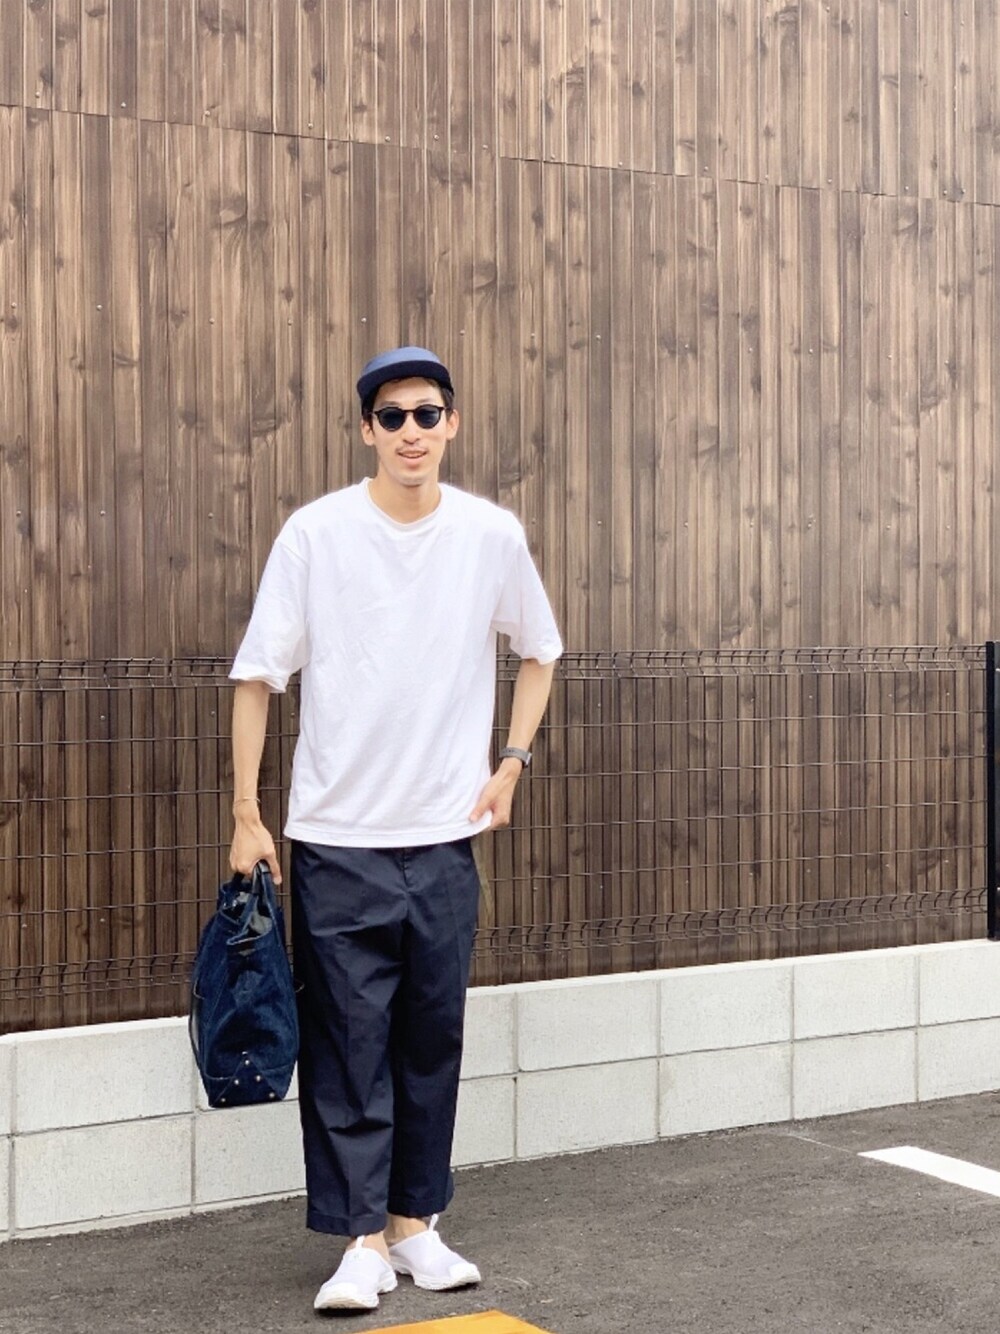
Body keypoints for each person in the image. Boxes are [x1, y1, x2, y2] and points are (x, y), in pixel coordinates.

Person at [228, 346, 562, 1314]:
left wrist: (512, 762)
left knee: (430, 1037)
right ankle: (361, 1241)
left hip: (445, 839)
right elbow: (257, 674)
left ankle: (415, 1225)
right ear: (367, 430)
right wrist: (246, 814)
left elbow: (540, 650)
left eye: (427, 413)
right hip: (336, 836)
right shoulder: (317, 534)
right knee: (346, 1043)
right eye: (392, 415)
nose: (411, 431)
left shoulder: (489, 535)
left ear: (451, 424)